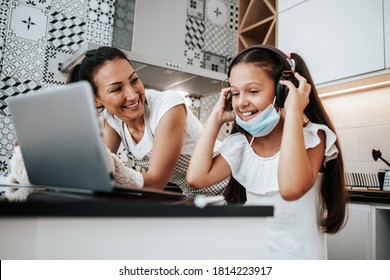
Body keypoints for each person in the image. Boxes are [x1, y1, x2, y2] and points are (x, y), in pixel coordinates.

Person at [186, 45, 347, 259]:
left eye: (253, 91)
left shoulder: (314, 138)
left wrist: (293, 112)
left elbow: (290, 189)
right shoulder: (241, 145)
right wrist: (215, 119)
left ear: (283, 91)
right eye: (235, 93)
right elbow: (196, 178)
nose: (242, 101)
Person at [67, 46, 227, 198]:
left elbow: (156, 182)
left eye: (134, 80)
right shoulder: (112, 119)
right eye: (117, 89)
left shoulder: (168, 106)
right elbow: (101, 166)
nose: (132, 95)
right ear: (96, 100)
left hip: (232, 186)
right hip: (197, 195)